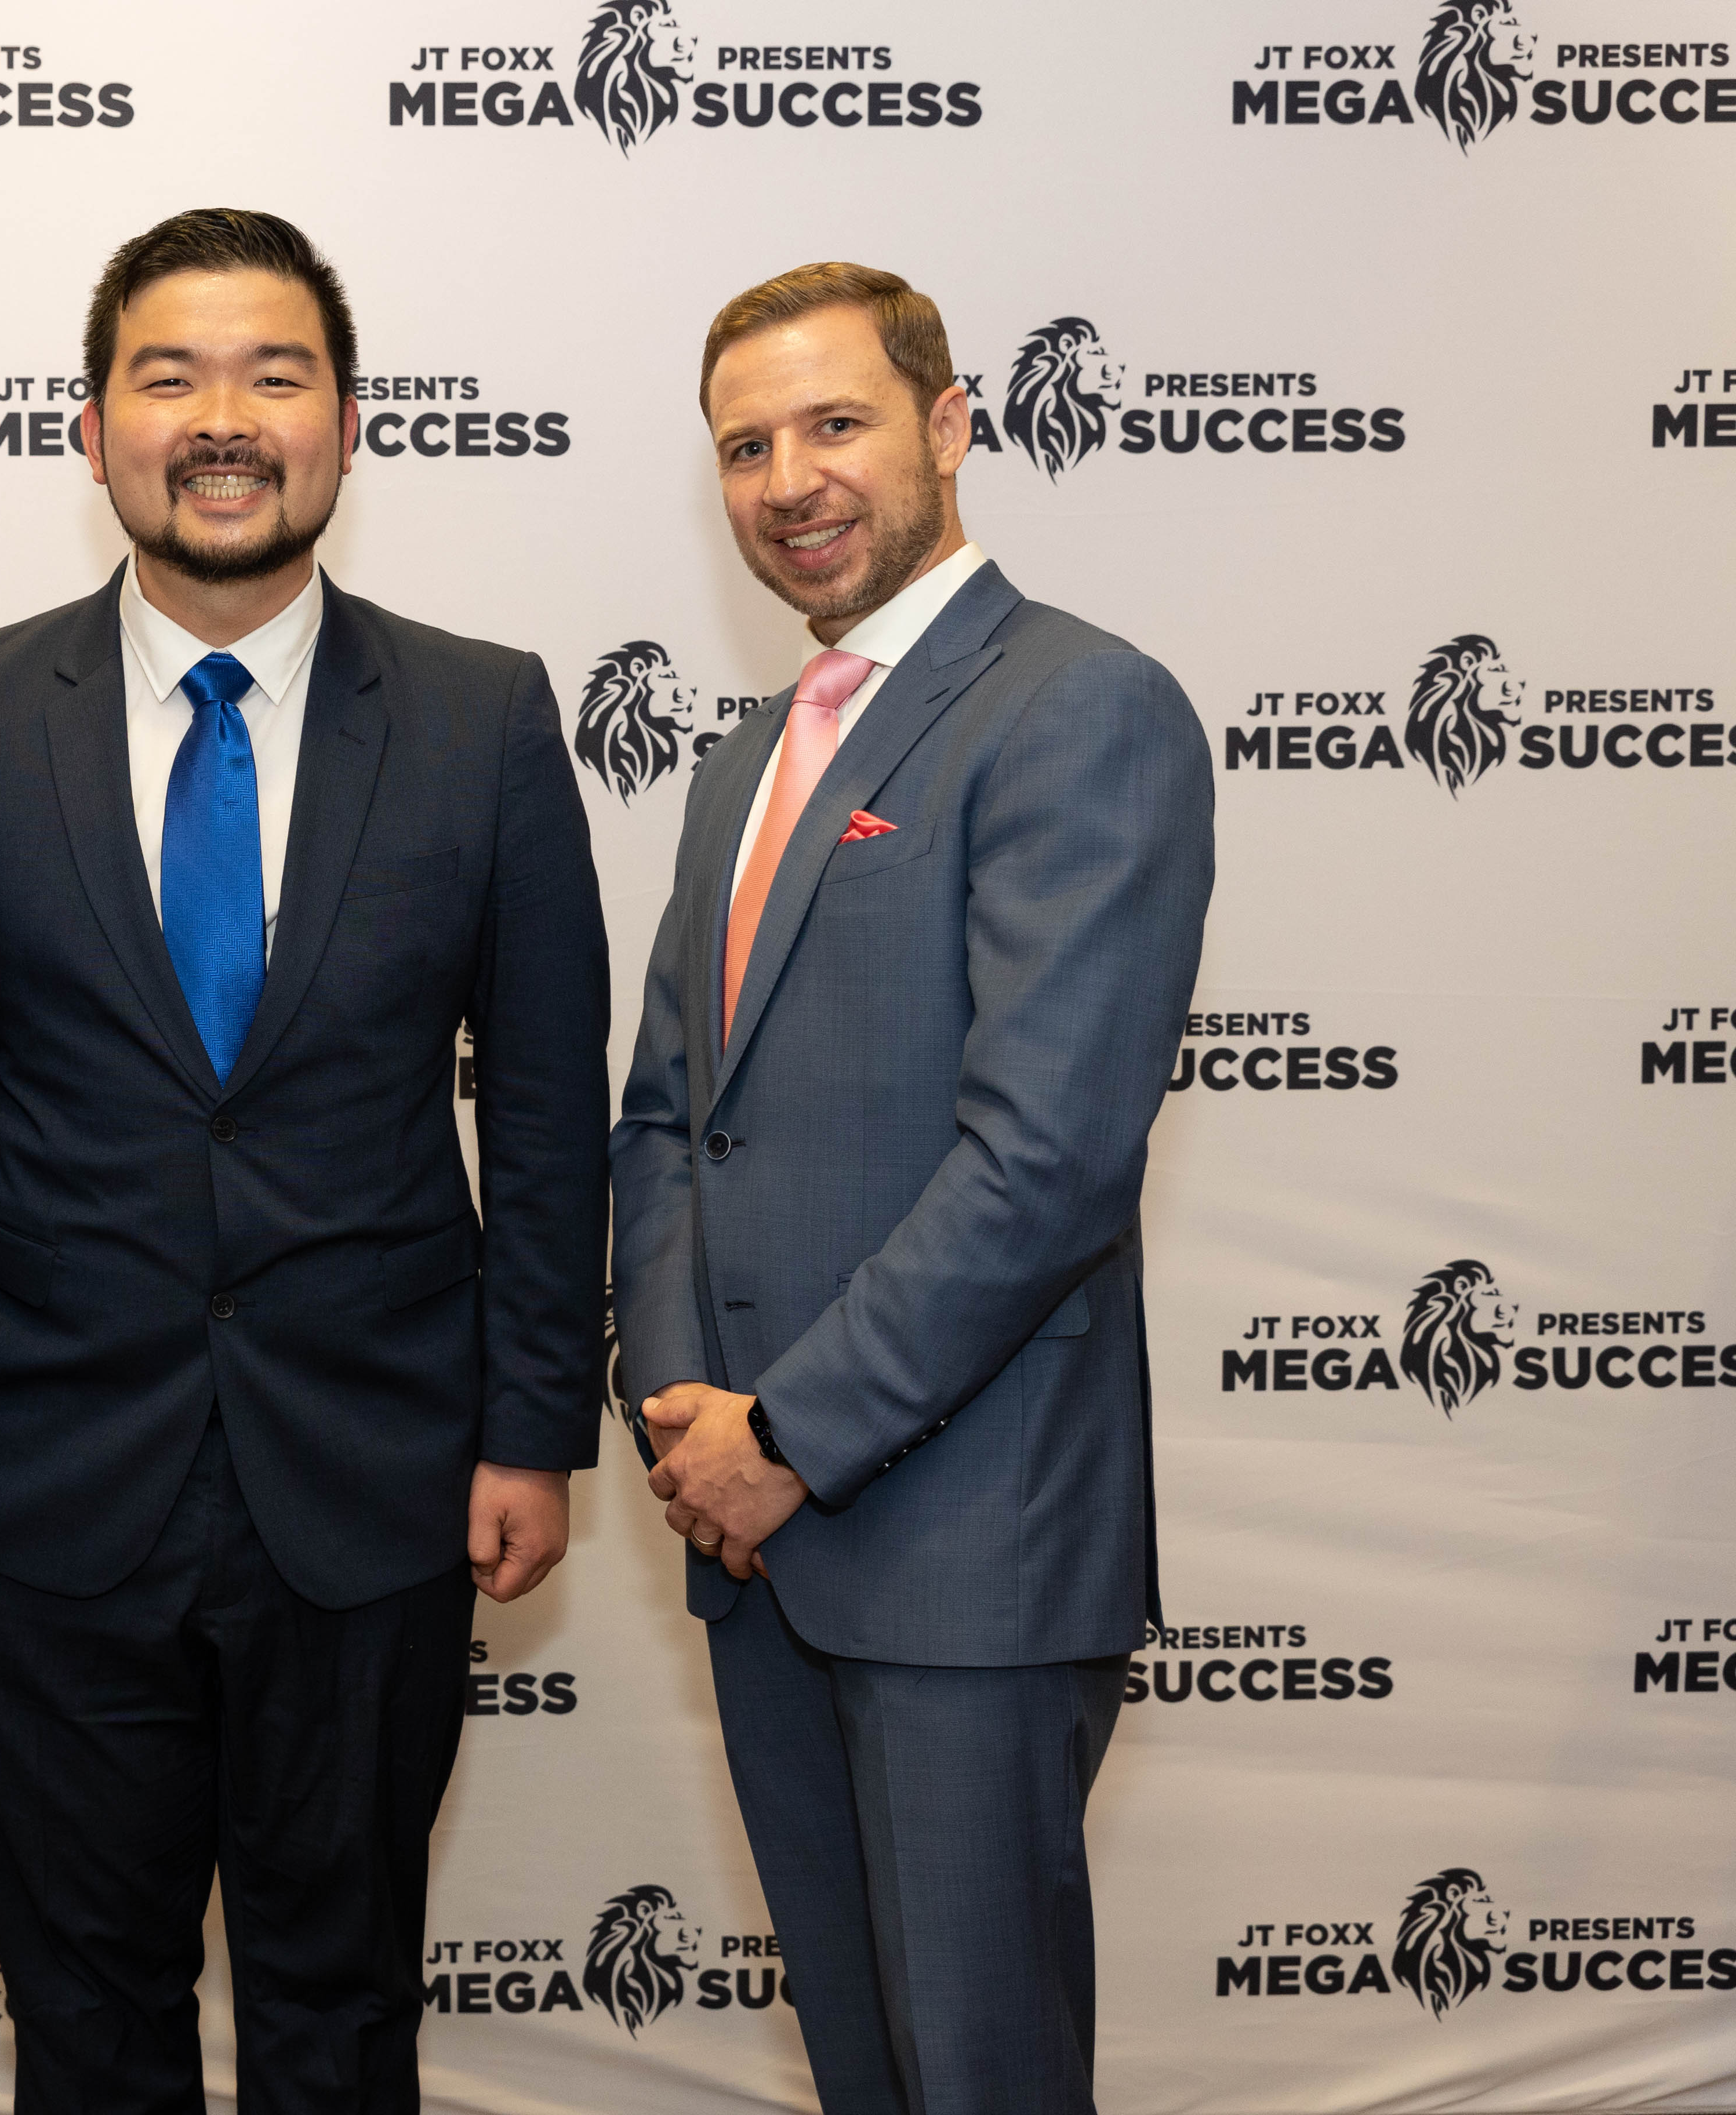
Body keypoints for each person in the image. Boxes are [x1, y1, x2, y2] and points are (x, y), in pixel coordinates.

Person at [0, 208, 611, 2113]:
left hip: (374, 1491)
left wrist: (532, 1428)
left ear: (348, 425)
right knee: (86, 2030)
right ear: (91, 429)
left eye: (275, 376)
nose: (223, 419)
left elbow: (546, 1111)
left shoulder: (484, 716)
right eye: (170, 377)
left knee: (340, 2018)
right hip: (44, 1506)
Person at [609, 261, 1213, 2115]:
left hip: (962, 1556)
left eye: (836, 424)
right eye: (745, 447)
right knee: (870, 2076)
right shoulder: (747, 757)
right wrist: (681, 1409)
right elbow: (670, 1119)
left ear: (949, 429)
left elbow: (1048, 1161)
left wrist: (792, 1429)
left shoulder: (1081, 706)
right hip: (755, 1536)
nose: (789, 478)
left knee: (979, 2076)